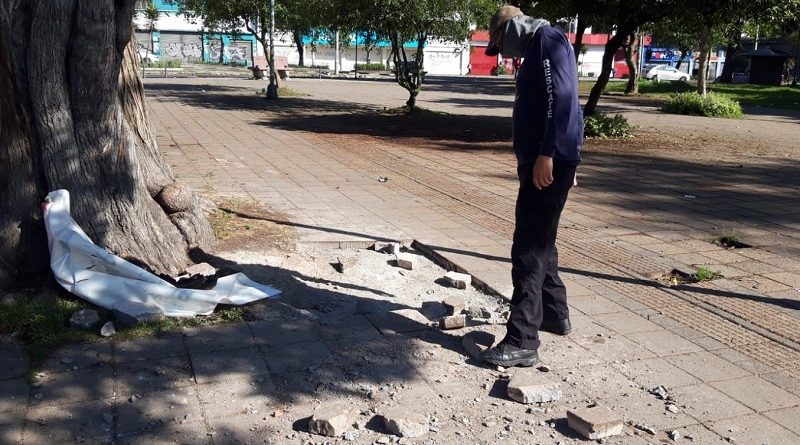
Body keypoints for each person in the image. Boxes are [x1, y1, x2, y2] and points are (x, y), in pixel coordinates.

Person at [481, 5, 583, 368]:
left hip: (546, 160)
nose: (503, 55)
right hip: (550, 159)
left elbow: (564, 99)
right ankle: (555, 314)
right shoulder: (543, 44)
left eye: (498, 45)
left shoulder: (546, 40)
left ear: (507, 30)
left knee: (528, 248)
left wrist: (550, 153)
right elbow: (571, 106)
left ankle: (522, 339)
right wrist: (569, 156)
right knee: (543, 241)